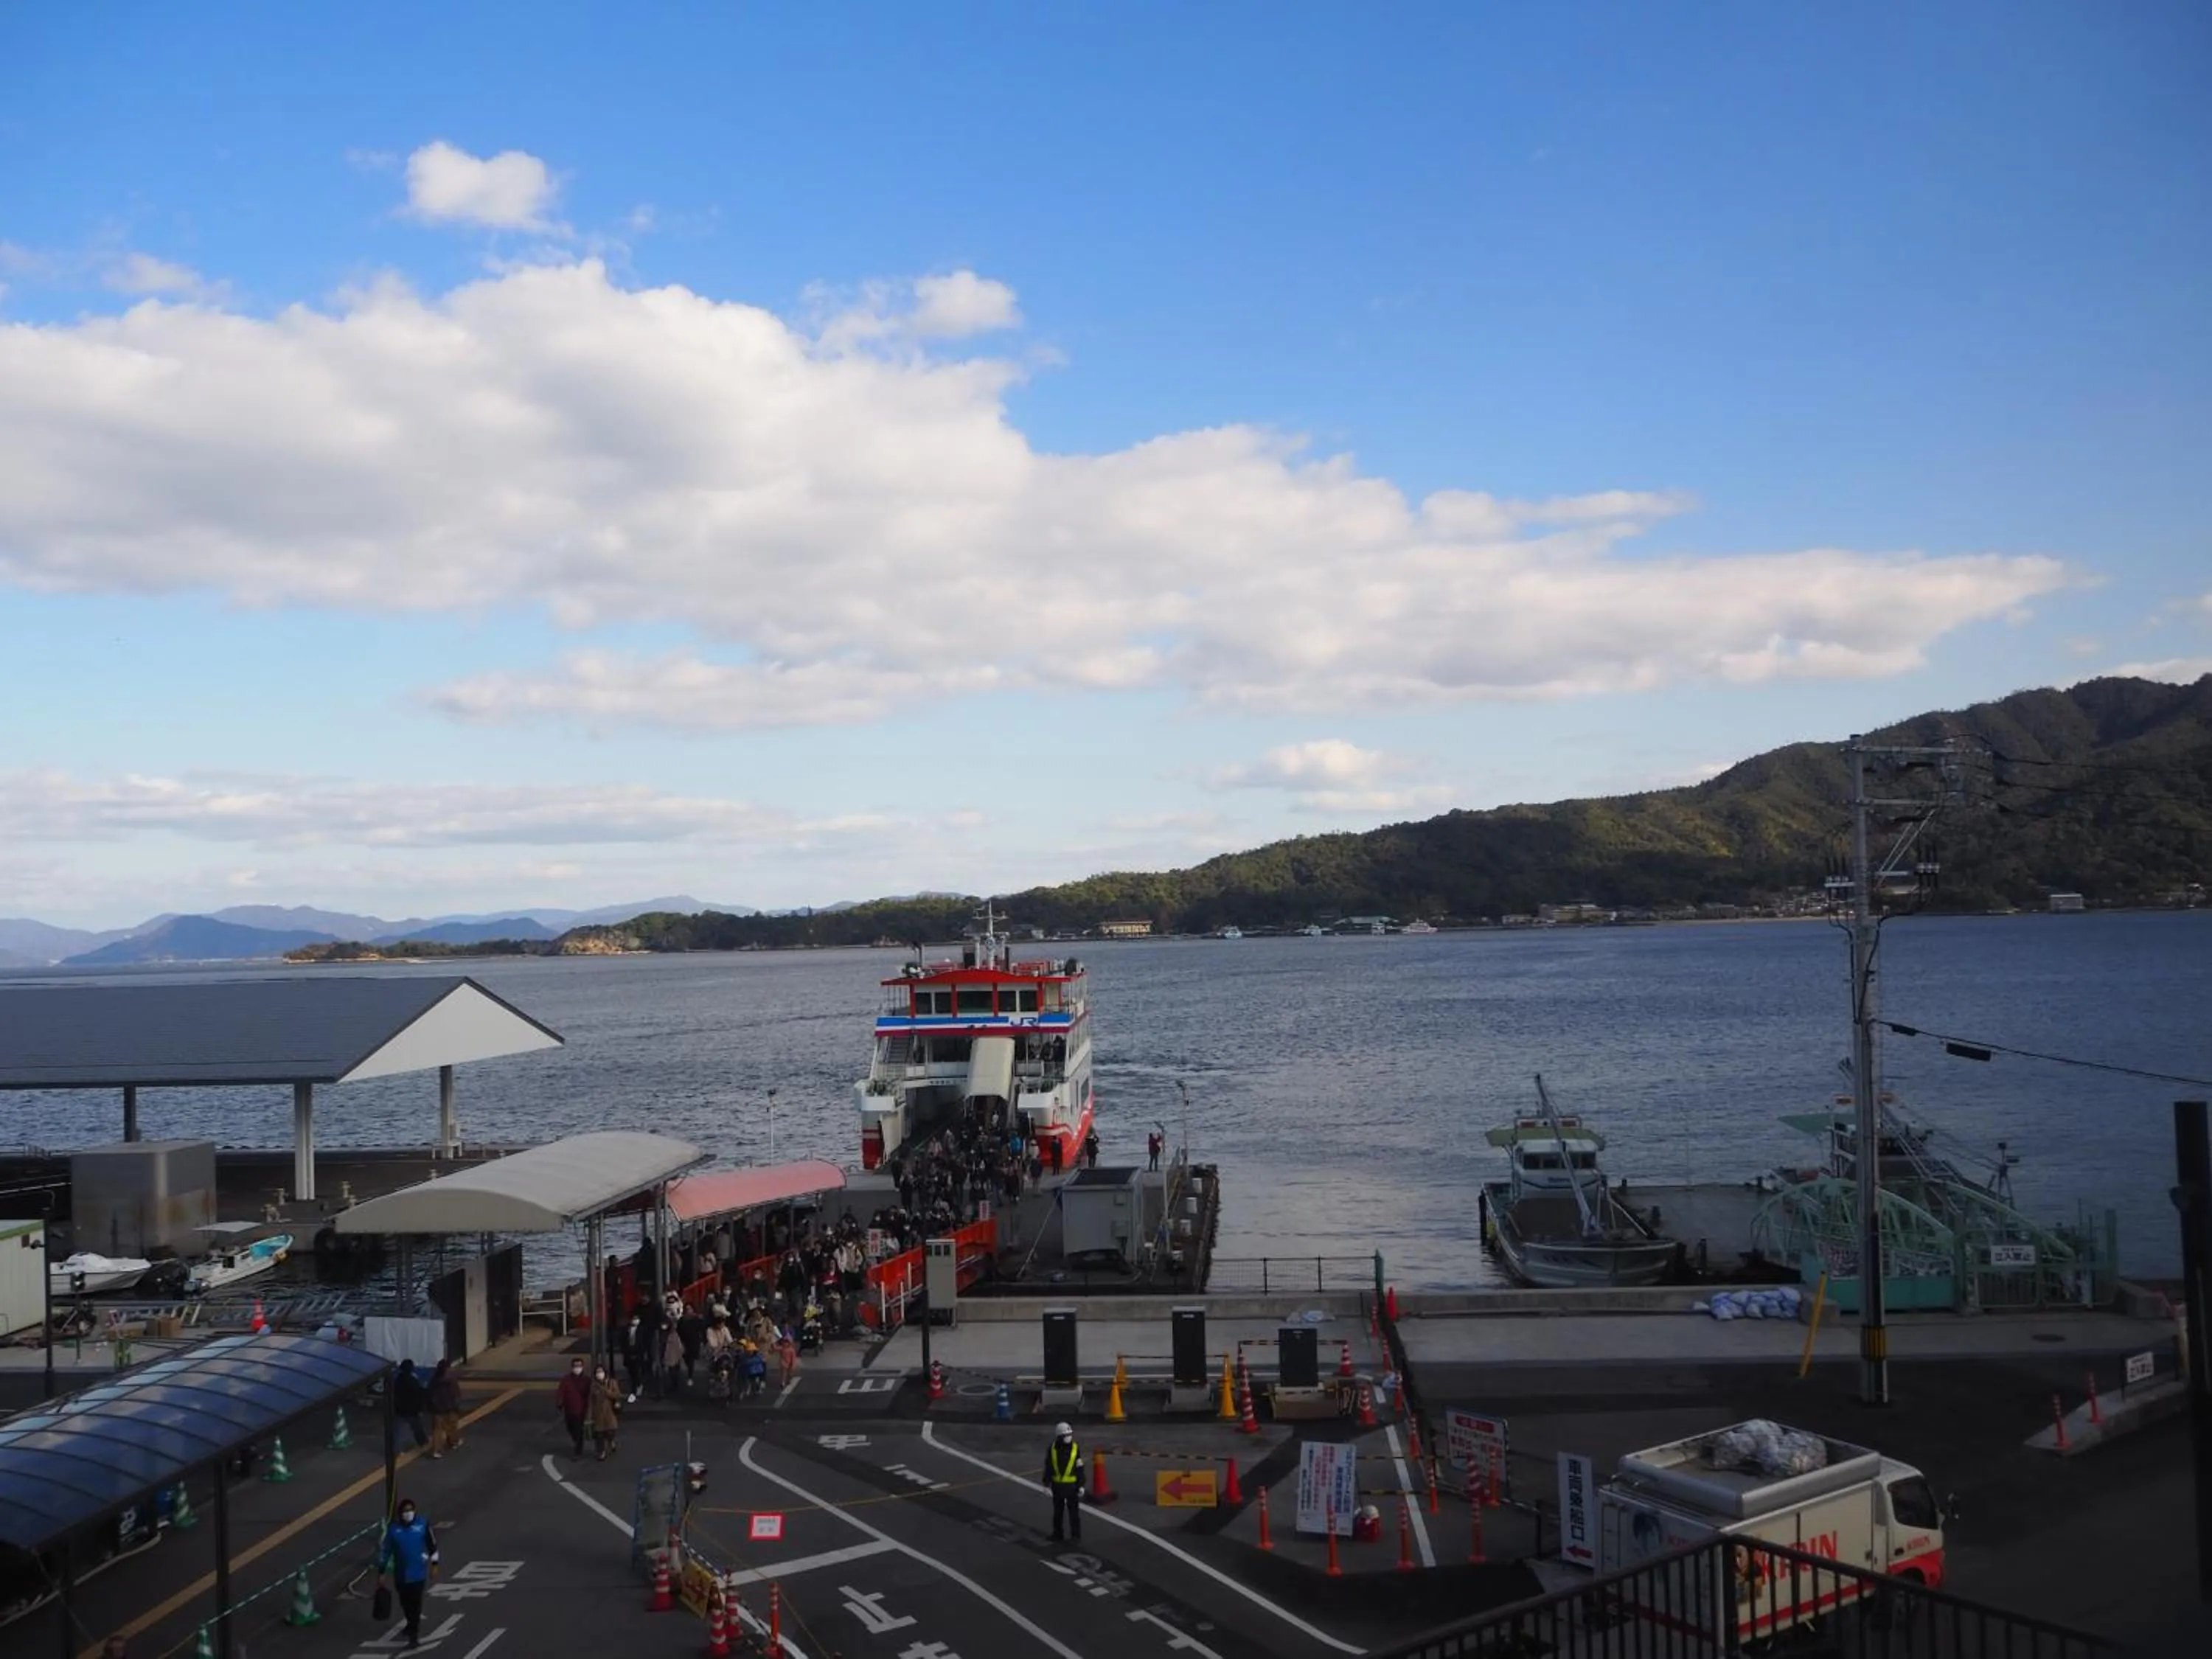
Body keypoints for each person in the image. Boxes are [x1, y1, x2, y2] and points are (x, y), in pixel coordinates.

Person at [377, 1496, 439, 1647]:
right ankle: (411, 1624)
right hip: (401, 1575)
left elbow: (432, 1546)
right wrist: (382, 1572)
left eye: (411, 1510)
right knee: (405, 1604)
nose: (408, 1513)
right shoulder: (393, 1530)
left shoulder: (423, 1524)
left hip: (418, 1574)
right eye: (405, 1511)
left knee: (415, 1605)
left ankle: (413, 1636)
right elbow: (385, 1552)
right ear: (400, 1514)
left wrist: (435, 1566)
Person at [1042, 1421, 1084, 1541]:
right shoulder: (1052, 1449)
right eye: (1066, 1435)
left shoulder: (1075, 1448)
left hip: (1072, 1487)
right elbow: (1049, 1467)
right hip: (1057, 1486)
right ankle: (1058, 1534)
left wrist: (1081, 1485)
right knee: (1058, 1513)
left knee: (1074, 1514)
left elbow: (1079, 1468)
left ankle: (1075, 1536)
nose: (1069, 1437)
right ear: (1060, 1437)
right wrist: (1046, 1484)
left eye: (1070, 1434)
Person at [554, 1356, 591, 1458]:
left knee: (578, 1430)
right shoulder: (566, 1379)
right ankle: (577, 1442)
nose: (577, 1368)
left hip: (582, 1410)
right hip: (569, 1409)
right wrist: (559, 1403)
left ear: (583, 1367)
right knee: (570, 1428)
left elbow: (590, 1394)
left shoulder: (587, 1380)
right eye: (575, 1366)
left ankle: (578, 1450)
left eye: (579, 1366)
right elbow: (561, 1392)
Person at [426, 1358, 464, 1458]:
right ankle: (453, 1442)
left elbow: (429, 1394)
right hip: (450, 1407)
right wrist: (457, 1406)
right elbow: (456, 1394)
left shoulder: (434, 1380)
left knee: (437, 1430)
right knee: (452, 1426)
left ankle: (437, 1450)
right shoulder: (451, 1380)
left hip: (437, 1408)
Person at [392, 1358, 429, 1450]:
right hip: (413, 1410)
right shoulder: (413, 1380)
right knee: (418, 1428)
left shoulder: (398, 1379)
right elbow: (419, 1393)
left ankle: (396, 1450)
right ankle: (423, 1443)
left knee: (398, 1431)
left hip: (399, 1408)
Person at [588, 1363, 624, 1461]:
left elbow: (618, 1395)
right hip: (598, 1414)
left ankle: (611, 1441)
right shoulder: (593, 1386)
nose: (599, 1374)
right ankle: (602, 1452)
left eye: (601, 1372)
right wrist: (589, 1416)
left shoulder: (612, 1383)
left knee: (611, 1432)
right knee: (599, 1435)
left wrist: (607, 1392)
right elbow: (591, 1402)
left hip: (610, 1413)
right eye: (597, 1372)